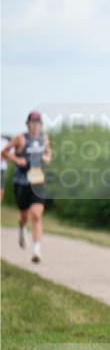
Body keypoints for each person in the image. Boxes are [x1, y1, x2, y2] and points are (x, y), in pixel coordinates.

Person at [2, 112, 52, 263]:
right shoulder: (20, 138)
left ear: (41, 125)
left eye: (38, 123)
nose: (35, 126)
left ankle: (37, 250)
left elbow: (49, 153)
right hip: (21, 180)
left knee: (36, 215)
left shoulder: (44, 138)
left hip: (37, 178)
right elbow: (4, 152)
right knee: (24, 216)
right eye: (33, 123)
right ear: (28, 124)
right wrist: (16, 159)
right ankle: (22, 228)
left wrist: (46, 158)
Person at [0, 134, 9, 205]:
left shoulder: (5, 142)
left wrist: (3, 157)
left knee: (1, 186)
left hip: (2, 168)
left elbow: (11, 155)